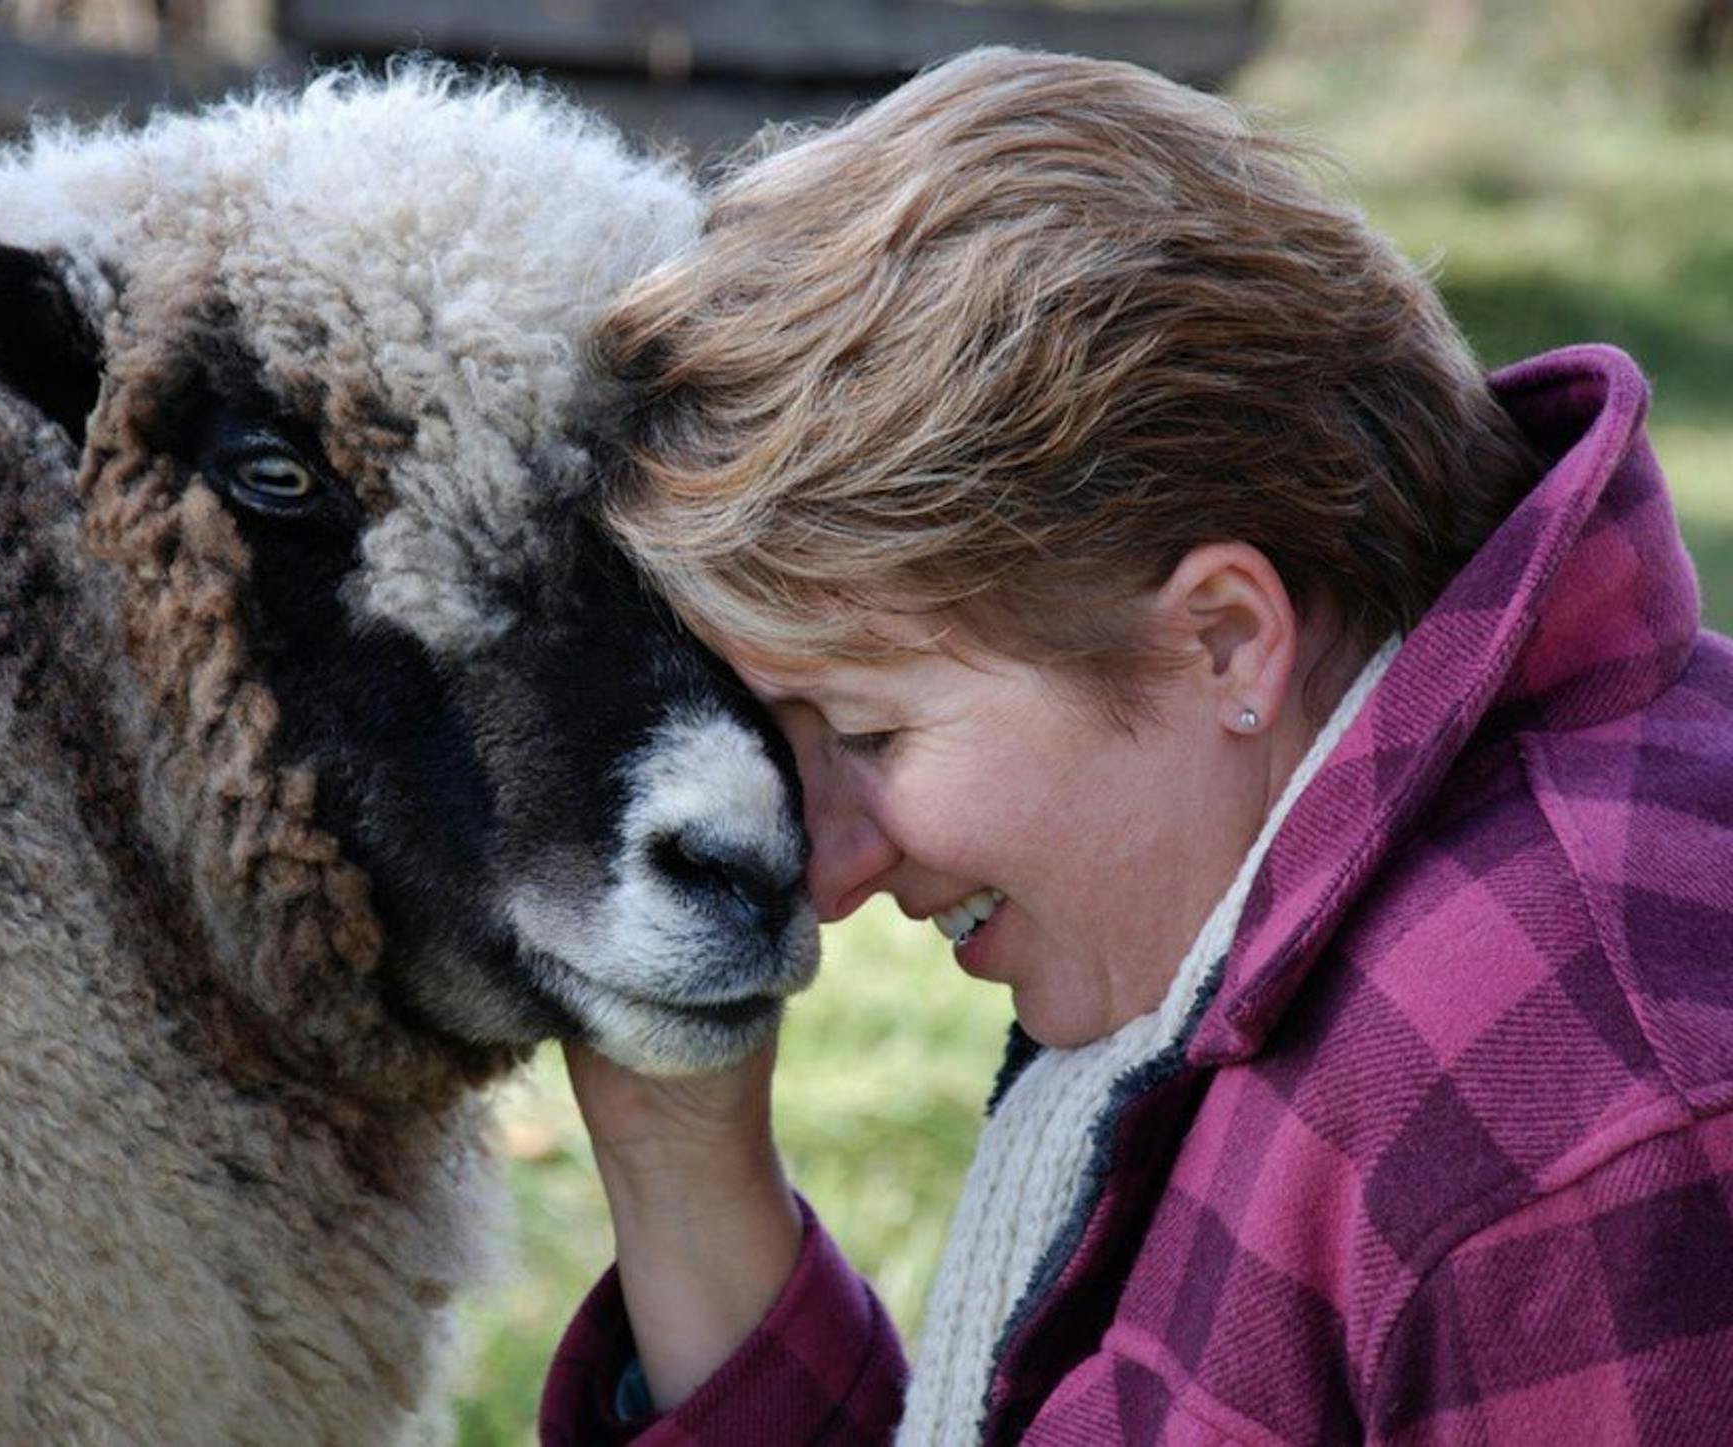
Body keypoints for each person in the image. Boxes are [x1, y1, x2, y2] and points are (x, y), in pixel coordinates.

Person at [537, 46, 1733, 1445]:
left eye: (865, 728)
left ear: (1223, 639)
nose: (830, 871)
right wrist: (680, 1157)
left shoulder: (1562, 1117)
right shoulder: (1262, 937)